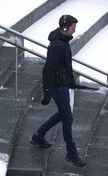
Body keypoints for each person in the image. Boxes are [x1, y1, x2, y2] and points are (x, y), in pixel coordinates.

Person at [30, 14, 86, 167]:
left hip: (63, 84)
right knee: (67, 118)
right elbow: (49, 69)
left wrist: (72, 82)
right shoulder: (57, 45)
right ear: (65, 27)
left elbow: (66, 67)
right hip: (57, 86)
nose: (75, 31)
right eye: (73, 28)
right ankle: (71, 152)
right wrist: (47, 90)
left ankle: (38, 135)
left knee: (64, 114)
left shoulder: (63, 42)